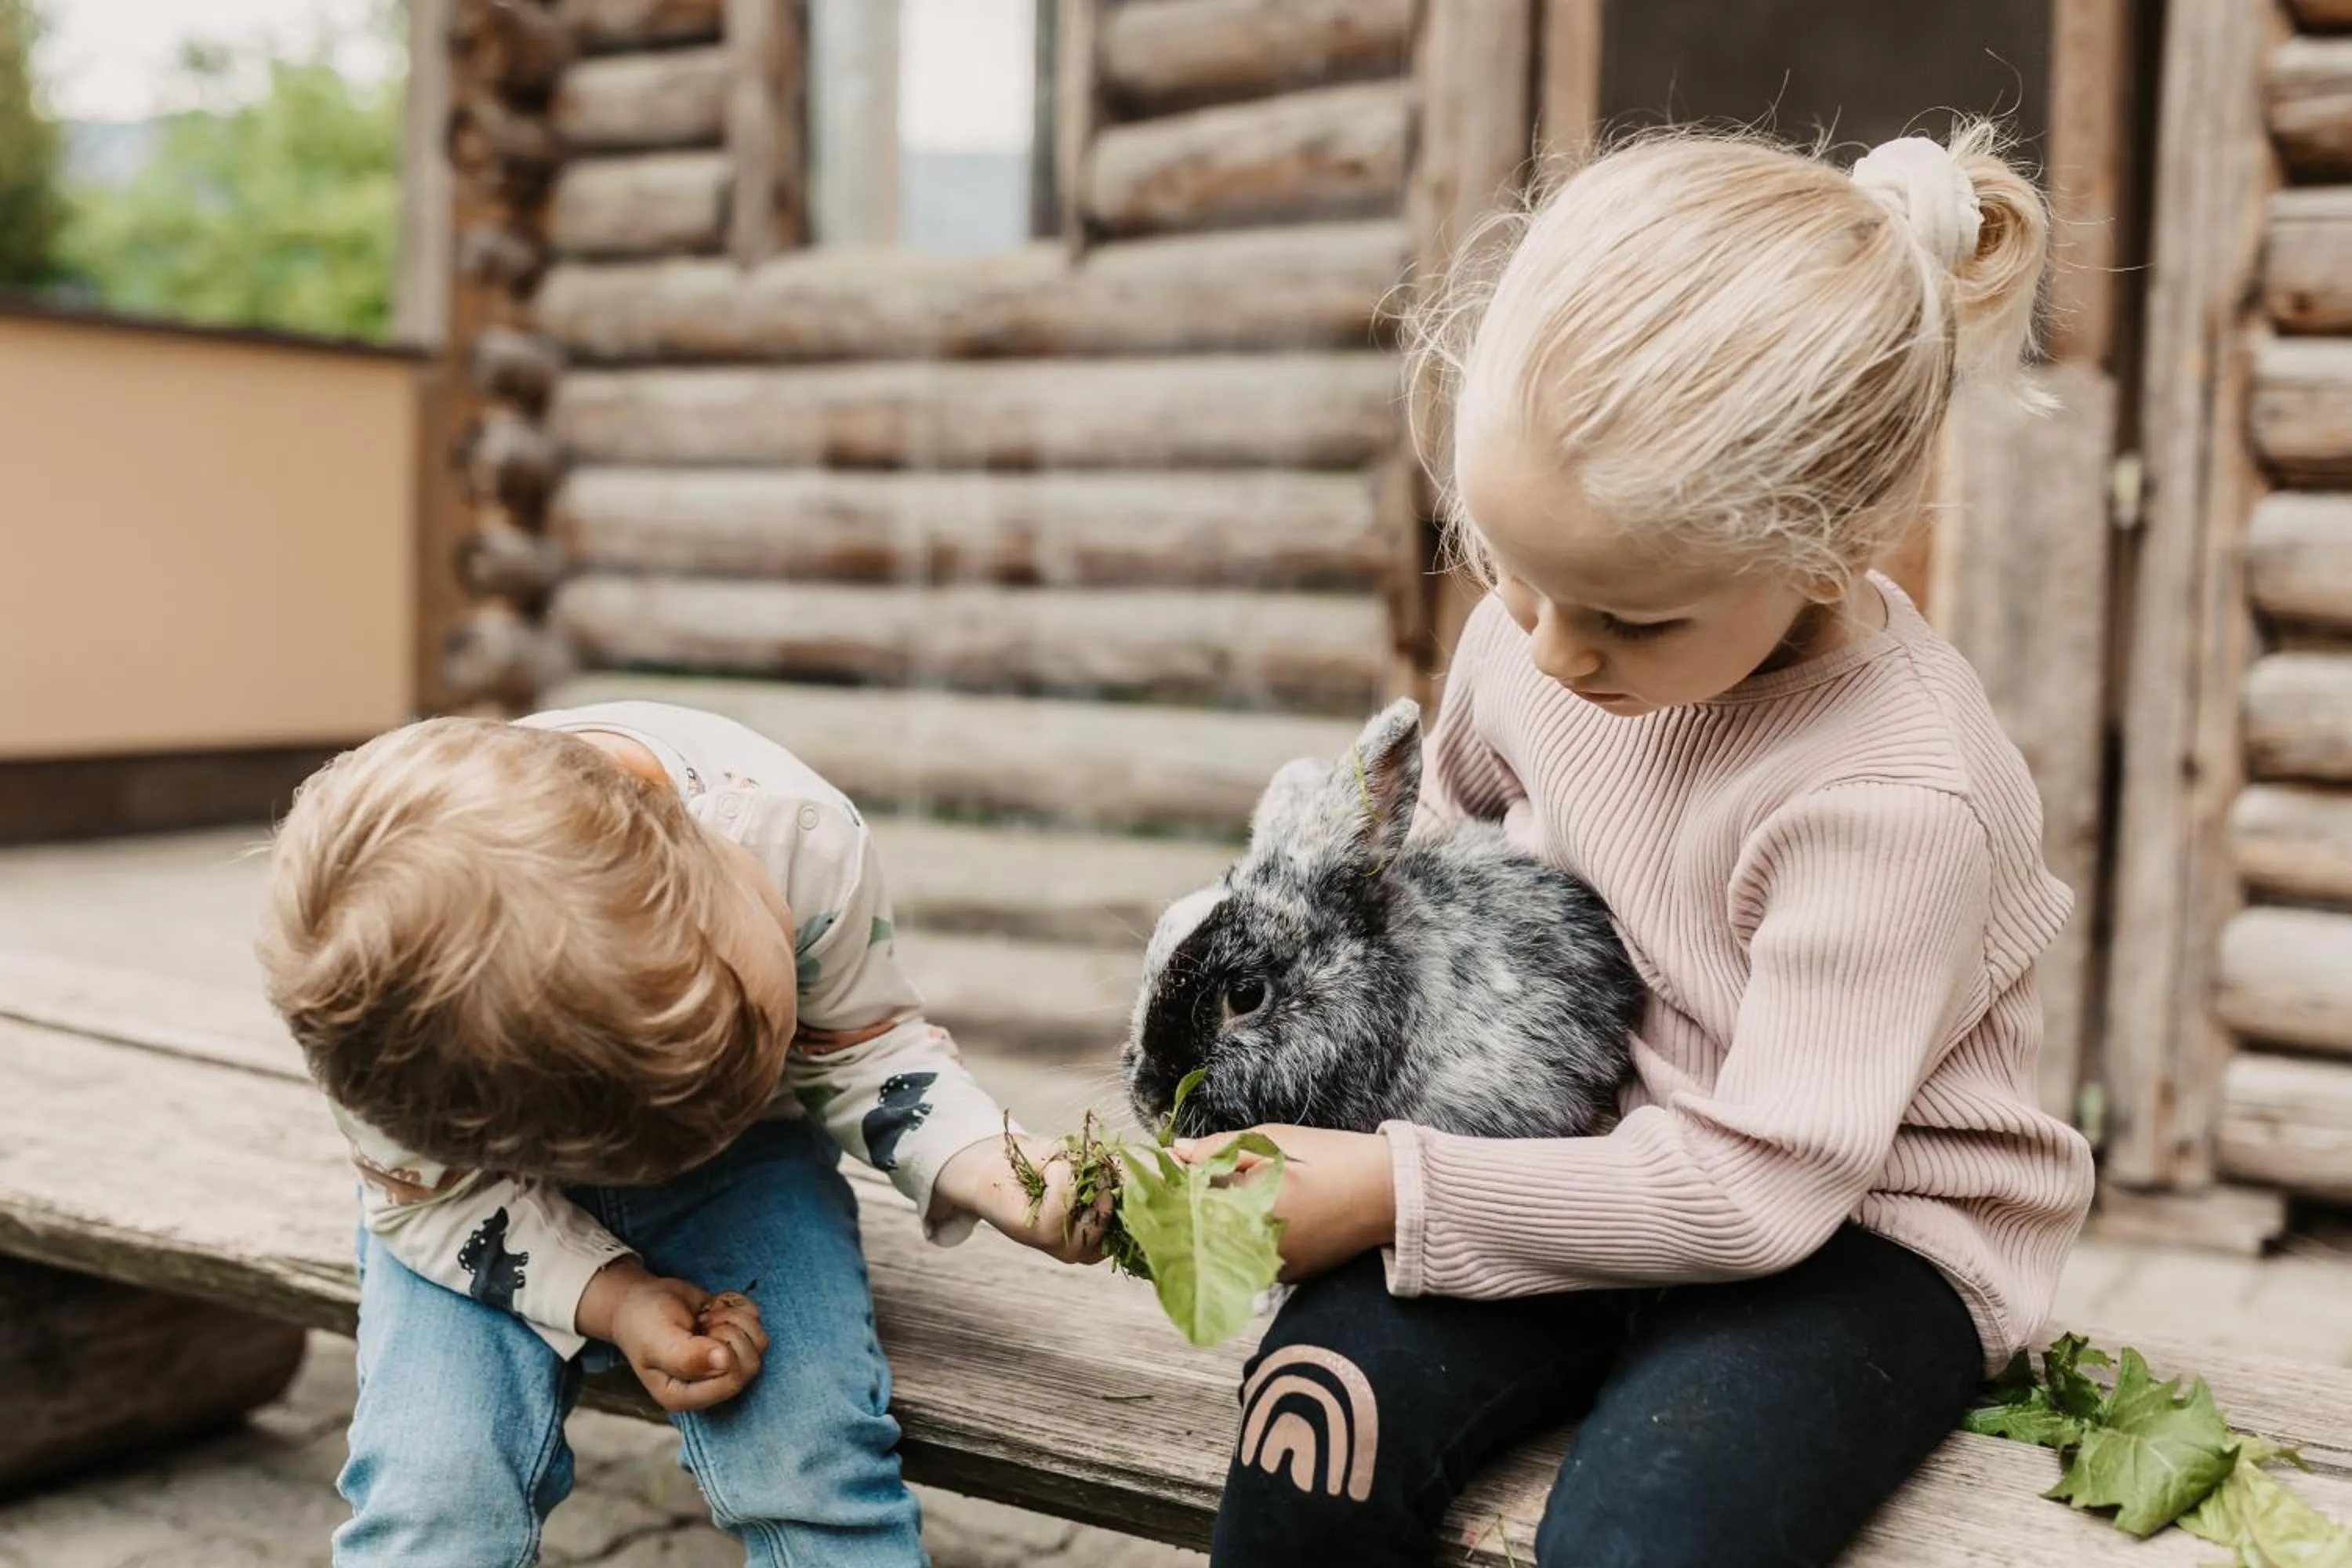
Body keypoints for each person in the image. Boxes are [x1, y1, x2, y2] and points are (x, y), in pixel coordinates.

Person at [1188, 123, 2097, 1567]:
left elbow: (1760, 1190)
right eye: (1508, 569)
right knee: (1317, 1423)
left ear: (1836, 538)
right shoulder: (1537, 638)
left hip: (1849, 1239)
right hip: (1568, 1154)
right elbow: (1429, 900)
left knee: (1650, 1538)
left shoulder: (1896, 797)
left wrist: (1393, 1189)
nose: (1548, 652)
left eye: (1629, 617)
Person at [258, 699, 1101, 1566]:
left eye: (770, 1026)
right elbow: (429, 1204)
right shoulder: (380, 1033)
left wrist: (996, 1165)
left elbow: (863, 1047)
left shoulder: (799, 841)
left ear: (693, 836)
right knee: (434, 1499)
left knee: (810, 1456)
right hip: (471, 1206)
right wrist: (613, 1296)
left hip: (749, 1160)